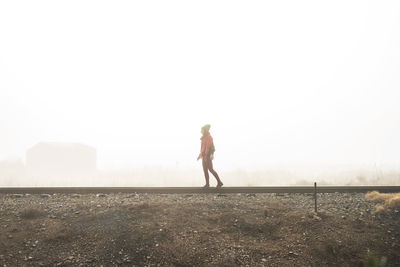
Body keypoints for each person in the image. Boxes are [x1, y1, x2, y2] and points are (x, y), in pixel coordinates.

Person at [197, 124, 223, 188]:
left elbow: (212, 147)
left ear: (205, 131)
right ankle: (207, 184)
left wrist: (211, 154)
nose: (201, 131)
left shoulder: (209, 138)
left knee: (211, 170)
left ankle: (219, 182)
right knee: (205, 170)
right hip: (204, 156)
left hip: (208, 156)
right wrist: (200, 155)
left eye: (202, 130)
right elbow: (202, 148)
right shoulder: (203, 138)